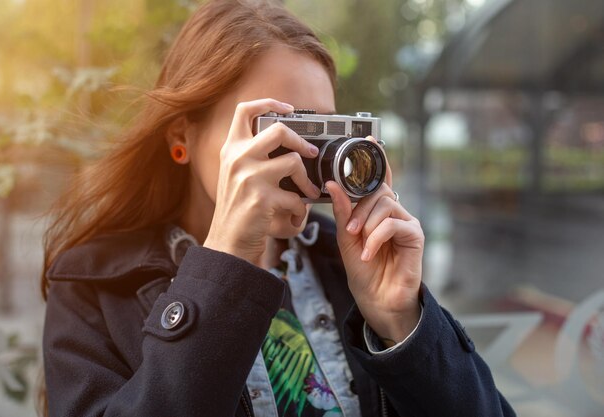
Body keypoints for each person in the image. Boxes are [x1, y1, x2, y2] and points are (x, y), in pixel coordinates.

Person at [41, 0, 515, 416]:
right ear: (181, 137)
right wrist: (225, 265)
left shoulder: (351, 265)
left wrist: (401, 323)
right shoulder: (93, 285)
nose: (301, 156)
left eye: (320, 133)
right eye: (275, 130)